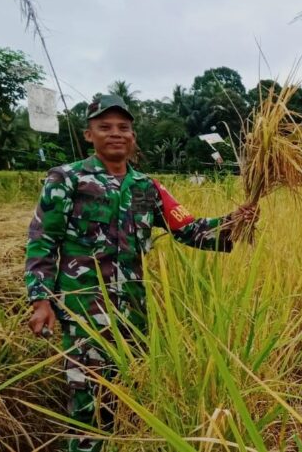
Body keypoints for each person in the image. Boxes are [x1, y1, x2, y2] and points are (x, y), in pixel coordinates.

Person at [24, 94, 254, 452]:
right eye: (105, 127)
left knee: (125, 399)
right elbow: (42, 240)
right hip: (85, 313)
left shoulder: (147, 188)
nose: (115, 134)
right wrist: (40, 300)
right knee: (87, 406)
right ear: (89, 135)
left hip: (134, 315)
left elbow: (189, 230)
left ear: (132, 136)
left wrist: (235, 222)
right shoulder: (67, 179)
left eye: (123, 128)